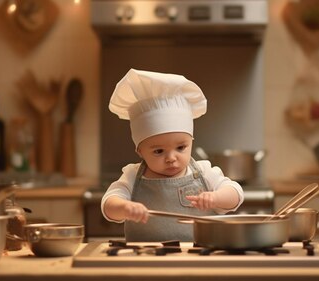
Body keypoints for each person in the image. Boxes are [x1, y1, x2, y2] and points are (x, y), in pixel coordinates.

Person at [101, 69, 244, 242]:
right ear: (140, 151)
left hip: (199, 257)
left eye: (181, 147)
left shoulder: (203, 172)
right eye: (158, 151)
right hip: (146, 259)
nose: (171, 158)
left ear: (191, 141)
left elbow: (236, 193)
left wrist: (216, 198)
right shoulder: (132, 175)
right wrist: (125, 208)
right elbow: (109, 204)